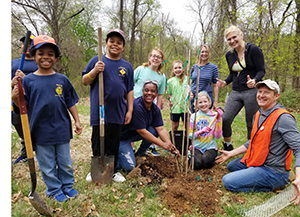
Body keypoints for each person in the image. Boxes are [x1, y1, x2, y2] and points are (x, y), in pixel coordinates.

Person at [11, 35, 82, 202]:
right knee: (48, 166)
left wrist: (77, 120)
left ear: (55, 58)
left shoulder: (62, 79)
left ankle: (67, 186)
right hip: (40, 131)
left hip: (62, 129)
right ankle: (54, 190)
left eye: (50, 54)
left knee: (65, 162)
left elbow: (70, 102)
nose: (45, 57)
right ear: (34, 56)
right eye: (41, 53)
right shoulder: (27, 81)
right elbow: (22, 108)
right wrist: (14, 96)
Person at [215, 79, 300, 205]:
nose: (261, 95)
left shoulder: (283, 118)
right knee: (232, 166)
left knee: (228, 181)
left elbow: (298, 148)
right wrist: (231, 153)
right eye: (259, 91)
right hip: (258, 161)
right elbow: (253, 141)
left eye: (267, 92)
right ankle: (262, 175)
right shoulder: (259, 113)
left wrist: (299, 177)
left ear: (276, 96)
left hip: (272, 170)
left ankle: (277, 182)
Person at [82, 29, 134, 183]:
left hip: (117, 111)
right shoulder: (96, 61)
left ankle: (113, 171)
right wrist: (94, 71)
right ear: (106, 44)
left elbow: (130, 90)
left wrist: (129, 110)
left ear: (123, 47)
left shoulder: (127, 66)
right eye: (112, 41)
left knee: (114, 140)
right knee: (98, 140)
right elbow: (85, 81)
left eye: (119, 43)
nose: (115, 45)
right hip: (100, 111)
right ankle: (96, 169)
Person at [216, 25, 265, 151]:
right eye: (229, 39)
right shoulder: (229, 55)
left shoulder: (253, 50)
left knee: (251, 122)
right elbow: (233, 74)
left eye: (234, 37)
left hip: (251, 91)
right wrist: (225, 82)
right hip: (236, 91)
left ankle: (251, 149)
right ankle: (228, 145)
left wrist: (255, 80)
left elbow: (261, 70)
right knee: (225, 118)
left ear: (241, 35)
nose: (232, 41)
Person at [117, 80, 180, 172]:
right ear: (142, 91)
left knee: (154, 130)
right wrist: (163, 144)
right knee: (129, 167)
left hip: (134, 135)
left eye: (152, 91)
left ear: (156, 93)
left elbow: (161, 129)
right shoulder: (137, 106)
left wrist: (170, 146)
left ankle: (140, 154)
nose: (149, 93)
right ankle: (117, 156)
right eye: (146, 90)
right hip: (123, 137)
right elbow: (142, 131)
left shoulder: (155, 109)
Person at [133, 47, 166, 156]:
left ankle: (145, 150)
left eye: (158, 57)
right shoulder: (141, 69)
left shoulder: (162, 76)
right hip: (135, 104)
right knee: (134, 127)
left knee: (153, 128)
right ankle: (131, 148)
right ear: (149, 57)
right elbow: (129, 84)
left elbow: (160, 93)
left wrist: (158, 109)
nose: (155, 59)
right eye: (154, 56)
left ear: (162, 61)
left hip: (150, 107)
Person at [11, 35, 38, 164]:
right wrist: (11, 84)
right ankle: (26, 152)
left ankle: (41, 150)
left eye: (30, 45)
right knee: (17, 122)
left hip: (35, 101)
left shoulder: (39, 62)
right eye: (24, 45)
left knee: (36, 126)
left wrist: (25, 78)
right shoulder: (14, 63)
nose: (27, 47)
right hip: (17, 101)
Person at [188, 91, 223, 169]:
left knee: (206, 162)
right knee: (197, 165)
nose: (203, 104)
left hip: (210, 147)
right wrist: (201, 132)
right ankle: (190, 154)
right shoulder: (194, 116)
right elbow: (190, 136)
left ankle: (213, 156)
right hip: (197, 147)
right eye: (200, 102)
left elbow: (218, 136)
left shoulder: (215, 116)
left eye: (205, 101)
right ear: (196, 104)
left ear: (209, 102)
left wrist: (219, 119)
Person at [190, 44, 219, 112]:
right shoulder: (194, 67)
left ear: (209, 54)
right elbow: (191, 82)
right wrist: (190, 94)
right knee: (194, 119)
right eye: (202, 52)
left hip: (206, 96)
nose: (204, 54)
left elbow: (215, 85)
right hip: (194, 96)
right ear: (199, 53)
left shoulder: (213, 68)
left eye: (206, 52)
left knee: (205, 119)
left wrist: (215, 101)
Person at [167, 60, 190, 131]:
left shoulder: (188, 79)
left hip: (185, 107)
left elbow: (190, 91)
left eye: (179, 67)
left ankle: (187, 141)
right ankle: (174, 140)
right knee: (175, 126)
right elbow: (169, 94)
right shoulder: (170, 81)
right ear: (172, 70)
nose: (178, 70)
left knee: (187, 126)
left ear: (183, 69)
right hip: (175, 108)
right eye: (175, 68)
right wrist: (170, 100)